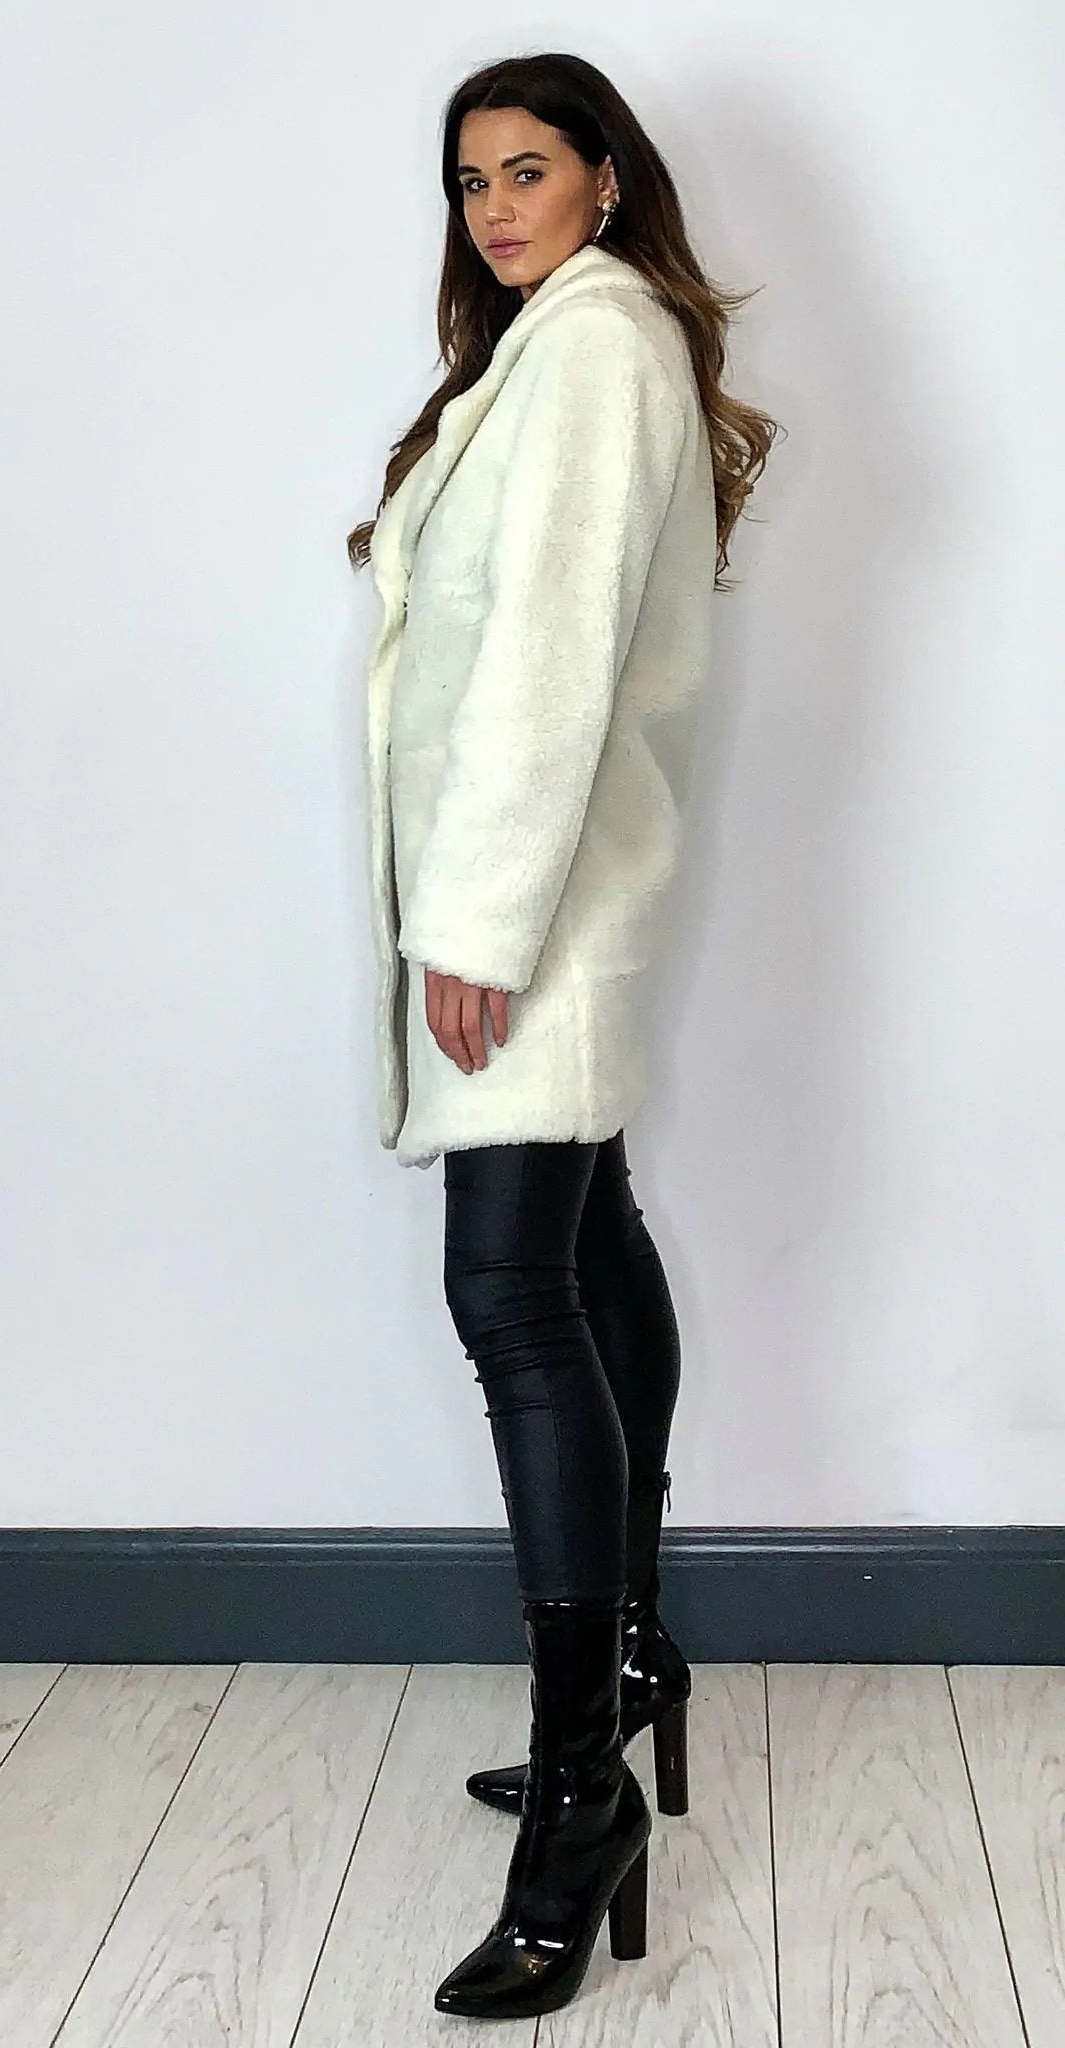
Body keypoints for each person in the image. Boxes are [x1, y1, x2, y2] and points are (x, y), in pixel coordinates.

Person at [348, 50, 778, 2021]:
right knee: (587, 1235)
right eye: (469, 181)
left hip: (536, 899)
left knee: (512, 1288)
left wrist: (478, 918)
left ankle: (580, 1799)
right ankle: (625, 1667)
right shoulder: (562, 343)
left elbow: (548, 656)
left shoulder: (595, 345)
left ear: (606, 181)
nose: (494, 207)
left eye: (528, 170)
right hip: (555, 890)